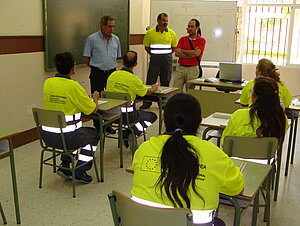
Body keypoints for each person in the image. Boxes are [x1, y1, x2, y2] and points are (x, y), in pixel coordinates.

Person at [131, 93, 244, 225]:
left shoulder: (145, 148)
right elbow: (238, 190)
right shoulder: (215, 155)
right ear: (200, 122)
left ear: (163, 118)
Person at [42, 52, 100, 184]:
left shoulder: (47, 83)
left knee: (72, 133)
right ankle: (80, 169)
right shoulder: (73, 86)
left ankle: (65, 164)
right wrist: (95, 98)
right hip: (66, 138)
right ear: (73, 68)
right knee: (94, 134)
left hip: (46, 136)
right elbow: (92, 109)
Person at [106, 51, 158, 150]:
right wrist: (153, 88)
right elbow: (145, 93)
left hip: (112, 116)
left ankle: (126, 131)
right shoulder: (134, 80)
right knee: (152, 116)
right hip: (128, 117)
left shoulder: (112, 76)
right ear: (136, 64)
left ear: (122, 63)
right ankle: (132, 132)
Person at [222, 76, 288, 147]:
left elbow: (224, 143)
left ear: (254, 97)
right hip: (265, 157)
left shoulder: (239, 115)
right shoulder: (281, 119)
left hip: (236, 157)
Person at [140, 13, 178, 109]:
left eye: (166, 21)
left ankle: (163, 103)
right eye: (163, 20)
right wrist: (155, 54)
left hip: (167, 60)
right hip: (154, 60)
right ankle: (147, 102)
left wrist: (165, 55)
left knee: (165, 81)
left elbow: (173, 47)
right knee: (150, 81)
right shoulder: (150, 33)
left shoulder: (172, 33)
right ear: (158, 21)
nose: (165, 23)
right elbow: (147, 47)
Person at [83, 15, 121, 94]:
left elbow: (117, 56)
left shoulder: (116, 39)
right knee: (97, 97)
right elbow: (86, 57)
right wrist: (95, 66)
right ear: (102, 26)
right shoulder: (92, 39)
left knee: (113, 97)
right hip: (97, 74)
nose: (112, 29)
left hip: (112, 73)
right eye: (109, 26)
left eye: (113, 26)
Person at [174, 19, 206, 92]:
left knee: (190, 92)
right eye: (188, 26)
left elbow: (196, 53)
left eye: (192, 26)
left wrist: (182, 50)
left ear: (197, 28)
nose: (189, 28)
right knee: (176, 91)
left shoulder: (201, 40)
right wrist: (191, 53)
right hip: (181, 68)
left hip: (193, 69)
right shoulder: (183, 39)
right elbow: (177, 53)